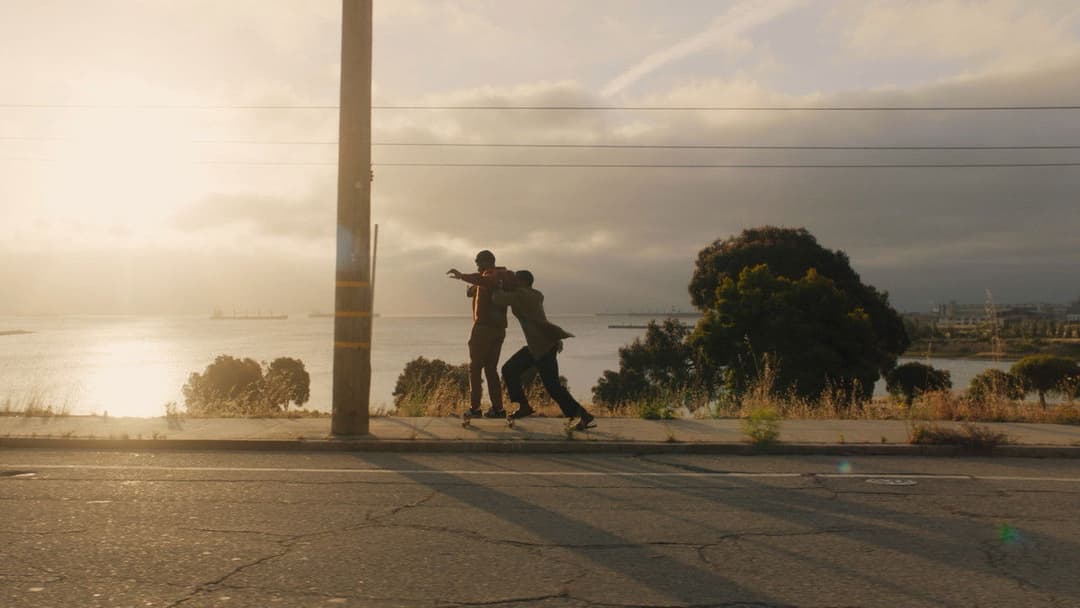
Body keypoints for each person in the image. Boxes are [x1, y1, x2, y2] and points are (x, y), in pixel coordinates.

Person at [493, 270, 596, 431]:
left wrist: (496, 284)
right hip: (539, 345)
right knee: (513, 371)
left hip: (542, 347)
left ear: (524, 282)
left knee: (550, 385)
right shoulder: (530, 294)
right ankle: (526, 406)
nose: (513, 282)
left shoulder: (523, 295)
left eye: (515, 280)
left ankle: (581, 415)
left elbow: (498, 299)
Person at [446, 250, 517, 419]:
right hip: (499, 329)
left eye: (478, 263)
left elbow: (483, 280)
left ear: (486, 262)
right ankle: (498, 409)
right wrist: (472, 289)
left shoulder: (490, 275)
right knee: (491, 369)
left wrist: (461, 275)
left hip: (483, 328)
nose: (477, 267)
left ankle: (475, 408)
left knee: (475, 367)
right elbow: (481, 287)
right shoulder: (503, 277)